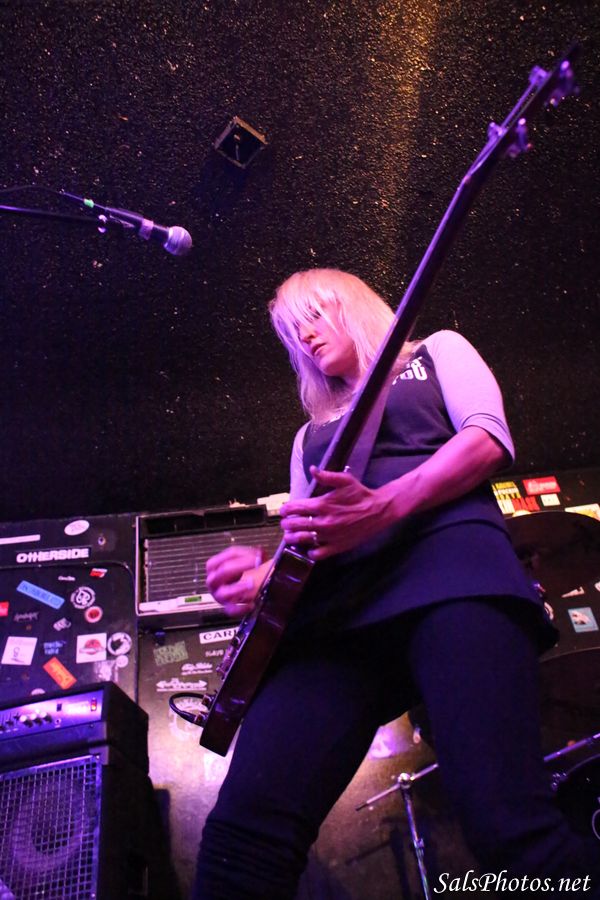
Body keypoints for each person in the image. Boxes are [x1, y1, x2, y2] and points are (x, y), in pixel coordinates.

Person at [194, 269, 599, 899]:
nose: (304, 335)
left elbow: (488, 440)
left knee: (510, 832)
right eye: (291, 331)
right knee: (240, 839)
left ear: (354, 305)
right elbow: (310, 543)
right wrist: (259, 579)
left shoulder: (437, 353)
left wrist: (383, 508)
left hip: (454, 580)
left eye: (314, 313)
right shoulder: (307, 438)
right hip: (336, 621)